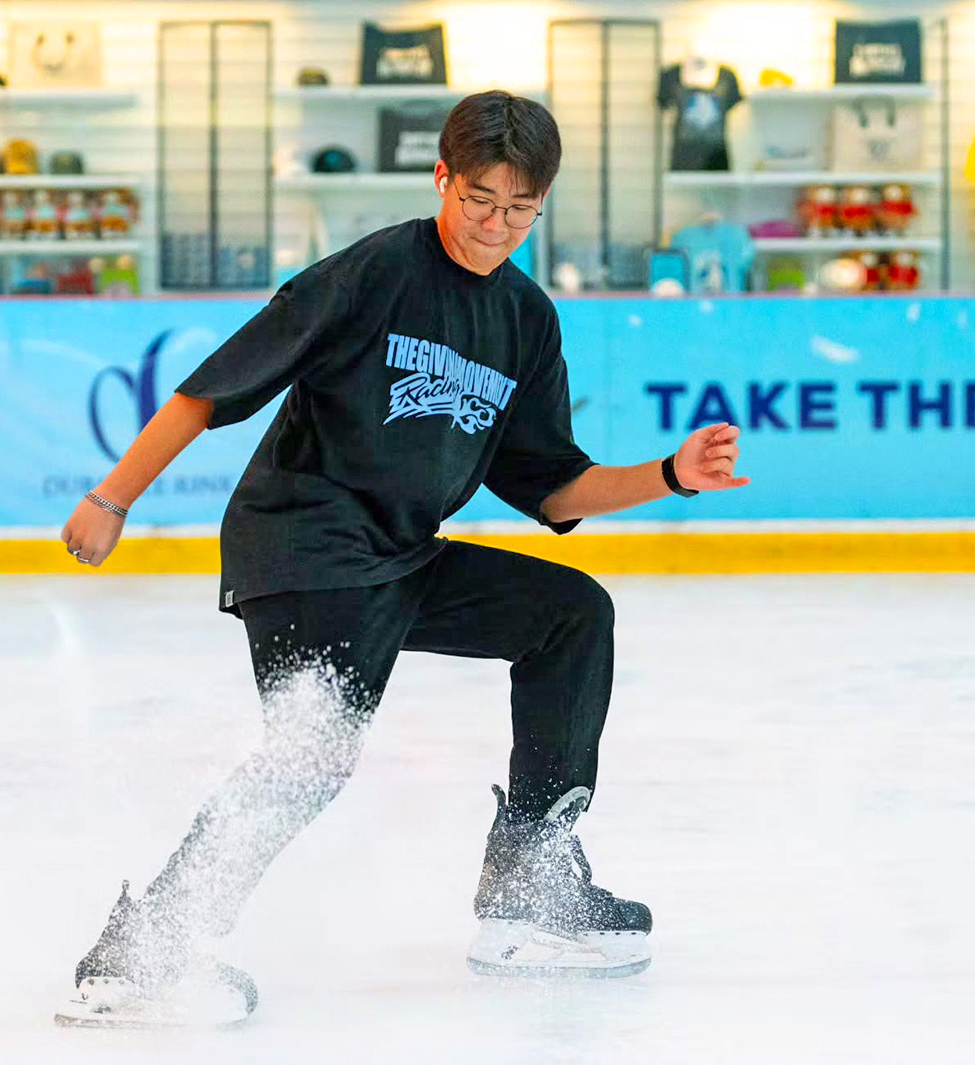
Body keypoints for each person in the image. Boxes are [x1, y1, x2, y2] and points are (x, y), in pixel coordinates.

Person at [58, 90, 748, 1019]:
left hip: (402, 556)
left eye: (519, 211)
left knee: (570, 614)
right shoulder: (373, 272)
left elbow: (549, 484)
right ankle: (144, 951)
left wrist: (667, 475)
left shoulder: (524, 319)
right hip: (304, 540)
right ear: (441, 179)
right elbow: (212, 389)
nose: (496, 226)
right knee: (312, 755)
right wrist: (113, 497)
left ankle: (527, 881)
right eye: (479, 201)